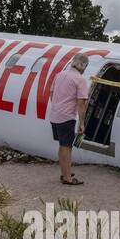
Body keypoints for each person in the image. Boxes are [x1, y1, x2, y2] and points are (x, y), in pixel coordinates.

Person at [48, 53, 89, 185]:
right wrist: (82, 123)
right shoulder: (80, 79)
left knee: (61, 145)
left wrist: (57, 106)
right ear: (83, 66)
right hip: (66, 117)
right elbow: (81, 103)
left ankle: (64, 172)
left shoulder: (59, 75)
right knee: (67, 147)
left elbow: (51, 94)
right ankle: (67, 177)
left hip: (55, 115)